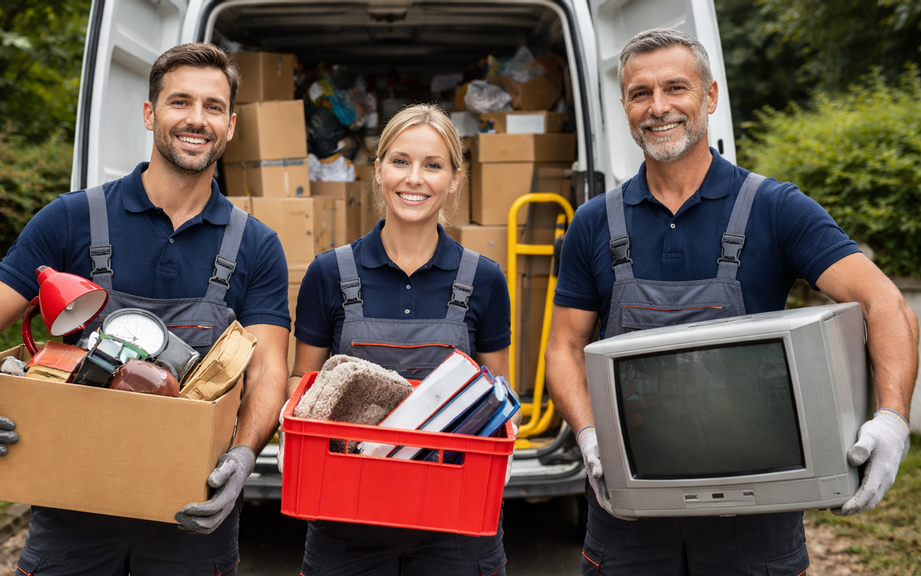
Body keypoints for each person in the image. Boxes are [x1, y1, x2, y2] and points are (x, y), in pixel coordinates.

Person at [545, 28, 918, 576]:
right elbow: (564, 346)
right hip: (628, 513)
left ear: (711, 96)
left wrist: (891, 420)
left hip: (756, 516)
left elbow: (885, 302)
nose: (659, 107)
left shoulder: (775, 208)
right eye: (640, 93)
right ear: (624, 106)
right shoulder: (594, 222)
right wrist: (588, 434)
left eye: (676, 88)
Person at [0, 43, 290, 576]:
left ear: (231, 126)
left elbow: (268, 367)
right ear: (149, 113)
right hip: (72, 517)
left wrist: (246, 453)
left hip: (191, 517)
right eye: (179, 101)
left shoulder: (256, 246)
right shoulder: (72, 219)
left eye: (213, 107)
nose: (196, 119)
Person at [287, 103, 513, 576]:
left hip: (456, 527)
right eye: (400, 161)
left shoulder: (485, 279)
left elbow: (496, 400)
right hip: (346, 524)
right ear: (378, 169)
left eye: (433, 165)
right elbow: (301, 386)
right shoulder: (329, 274)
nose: (415, 178)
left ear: (454, 179)